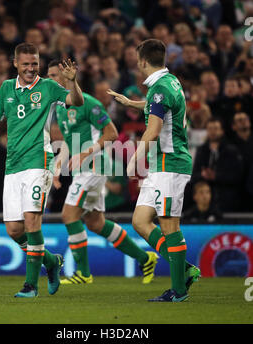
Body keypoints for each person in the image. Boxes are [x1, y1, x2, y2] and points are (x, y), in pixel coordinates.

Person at [0, 42, 84, 298]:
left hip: (39, 162)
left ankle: (30, 285)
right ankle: (51, 262)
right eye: (26, 63)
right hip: (13, 165)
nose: (31, 68)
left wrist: (73, 82)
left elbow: (76, 101)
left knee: (31, 222)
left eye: (35, 63)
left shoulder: (49, 87)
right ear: (15, 63)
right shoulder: (7, 87)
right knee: (14, 230)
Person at [47, 60, 158, 285]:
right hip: (83, 169)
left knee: (69, 215)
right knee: (96, 223)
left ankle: (84, 273)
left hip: (95, 167)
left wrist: (86, 153)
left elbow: (112, 134)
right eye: (48, 76)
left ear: (66, 77)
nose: (50, 81)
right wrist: (59, 164)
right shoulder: (59, 106)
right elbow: (69, 141)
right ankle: (145, 258)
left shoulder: (89, 103)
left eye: (54, 76)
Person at [107, 38, 200, 302]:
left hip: (170, 164)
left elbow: (154, 128)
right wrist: (131, 102)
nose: (137, 64)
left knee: (170, 225)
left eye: (138, 59)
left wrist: (135, 157)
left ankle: (178, 290)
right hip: (161, 166)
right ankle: (183, 269)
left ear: (143, 61)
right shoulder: (170, 83)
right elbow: (161, 108)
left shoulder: (159, 88)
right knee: (140, 221)